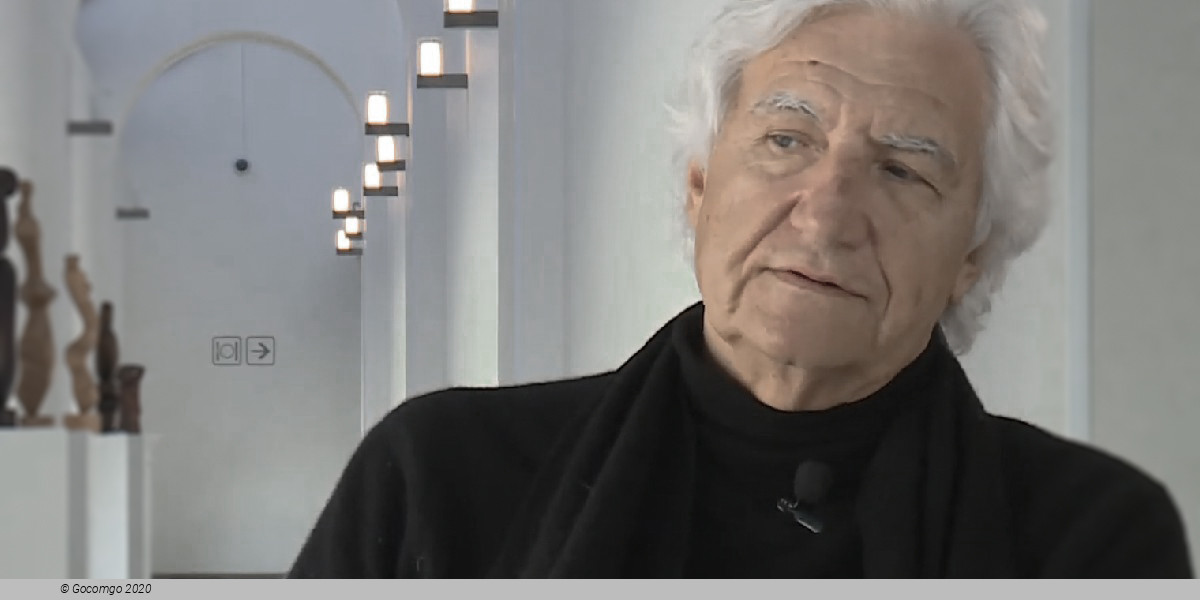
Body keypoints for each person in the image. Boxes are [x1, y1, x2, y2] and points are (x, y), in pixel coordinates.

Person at [289, 0, 1193, 578]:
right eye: (787, 140)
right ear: (699, 188)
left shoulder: (1091, 538)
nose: (827, 216)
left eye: (903, 169)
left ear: (974, 255)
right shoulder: (438, 479)